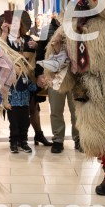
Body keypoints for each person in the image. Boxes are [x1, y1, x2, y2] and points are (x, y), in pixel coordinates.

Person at [1, 11, 52, 147]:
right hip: (11, 81)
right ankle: (17, 138)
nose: (14, 26)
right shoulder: (5, 40)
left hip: (28, 80)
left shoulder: (28, 39)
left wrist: (37, 47)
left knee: (33, 108)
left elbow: (40, 54)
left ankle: (38, 134)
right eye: (11, 23)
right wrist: (4, 32)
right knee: (15, 110)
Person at [37, 16, 80, 153]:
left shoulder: (76, 28)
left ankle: (78, 139)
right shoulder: (45, 30)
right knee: (55, 110)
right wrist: (39, 73)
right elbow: (39, 53)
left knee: (76, 110)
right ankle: (58, 139)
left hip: (74, 77)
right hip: (54, 75)